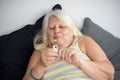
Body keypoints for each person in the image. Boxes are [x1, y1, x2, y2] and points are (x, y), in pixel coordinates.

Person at [23, 10, 115, 80]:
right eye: (51, 28)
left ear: (71, 29)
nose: (57, 31)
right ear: (46, 33)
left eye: (62, 27)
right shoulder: (40, 52)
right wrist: (40, 66)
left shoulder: (83, 41)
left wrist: (80, 61)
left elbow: (109, 74)